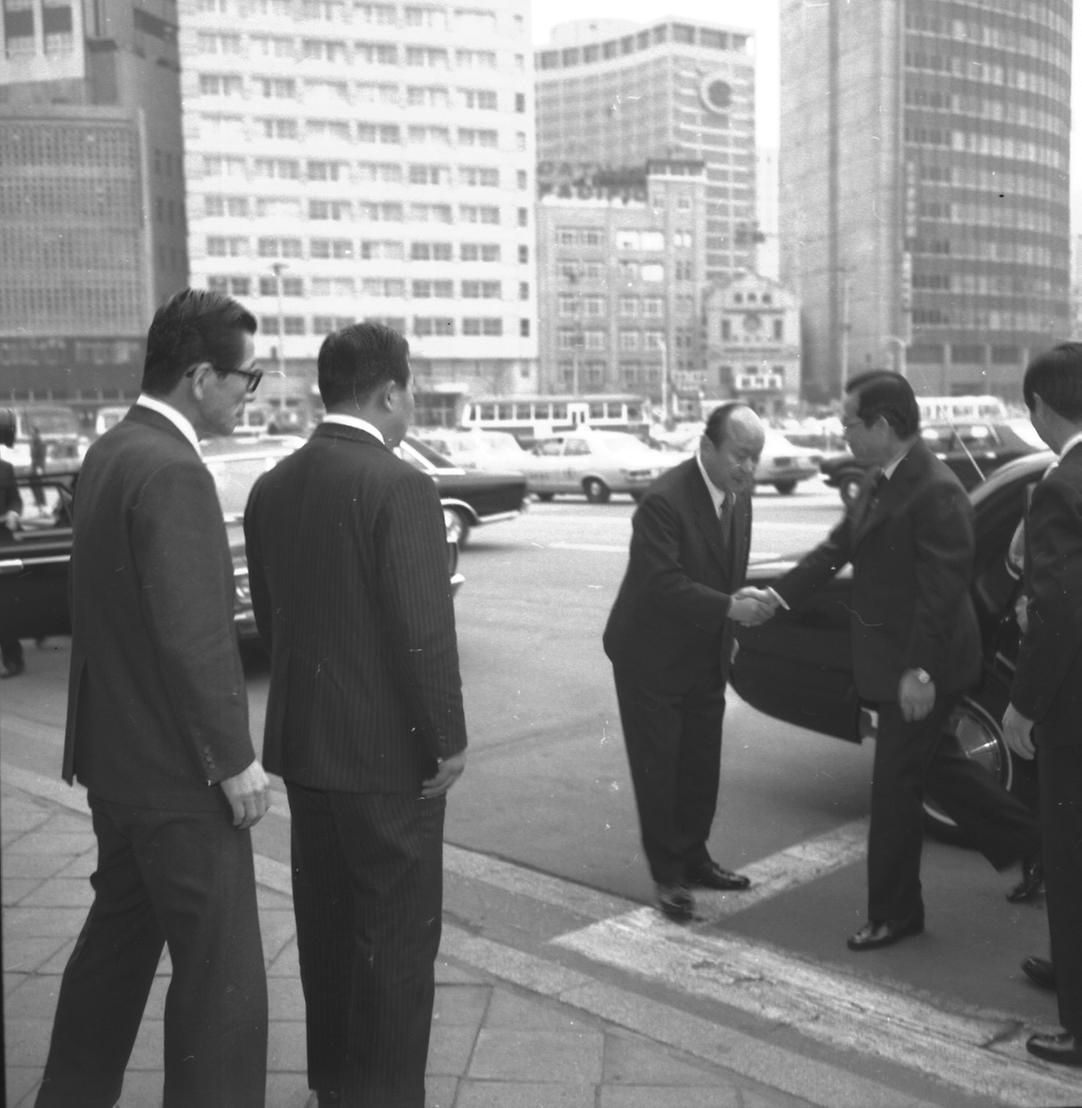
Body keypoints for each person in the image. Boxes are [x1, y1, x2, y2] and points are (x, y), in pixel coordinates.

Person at [36, 289, 271, 1108]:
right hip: (178, 775)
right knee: (222, 975)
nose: (252, 393)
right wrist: (233, 761)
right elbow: (194, 635)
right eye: (248, 376)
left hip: (116, 761)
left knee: (115, 947)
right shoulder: (173, 469)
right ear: (202, 376)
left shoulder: (113, 450)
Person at [244, 321, 467, 1107]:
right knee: (398, 943)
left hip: (309, 750)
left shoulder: (273, 485)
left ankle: (333, 1089)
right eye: (410, 394)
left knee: (329, 938)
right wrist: (447, 742)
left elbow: (274, 625)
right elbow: (422, 631)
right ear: (391, 392)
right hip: (386, 760)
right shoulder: (401, 485)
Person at [765, 371, 1040, 951]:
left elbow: (943, 592)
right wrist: (776, 597)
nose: (842, 432)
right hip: (901, 661)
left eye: (850, 423)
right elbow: (835, 549)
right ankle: (1041, 848)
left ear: (883, 426)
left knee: (894, 792)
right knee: (940, 770)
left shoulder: (932, 488)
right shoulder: (877, 480)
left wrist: (920, 672)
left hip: (924, 665)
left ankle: (896, 913)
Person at [603, 402, 773, 923]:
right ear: (707, 447)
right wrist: (727, 607)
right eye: (740, 456)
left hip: (704, 648)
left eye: (756, 458)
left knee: (700, 761)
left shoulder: (738, 498)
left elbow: (720, 571)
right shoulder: (663, 501)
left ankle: (695, 858)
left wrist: (733, 611)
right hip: (650, 655)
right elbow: (661, 584)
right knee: (661, 768)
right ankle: (669, 876)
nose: (748, 469)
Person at [1002, 341, 1082, 1066]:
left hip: (1073, 710)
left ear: (1040, 408)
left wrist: (1023, 705)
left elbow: (1059, 607)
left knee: (1070, 857)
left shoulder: (1062, 484)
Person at [0, 408, 26, 677]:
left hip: (2, 542)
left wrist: (14, 512)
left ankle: (13, 659)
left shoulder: (5, 469)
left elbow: (16, 499)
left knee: (4, 601)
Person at [29, 425, 47, 512]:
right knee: (32, 483)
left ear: (37, 434)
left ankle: (41, 503)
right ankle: (38, 501)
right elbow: (32, 457)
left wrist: (40, 468)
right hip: (33, 467)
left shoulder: (41, 443)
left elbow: (41, 457)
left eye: (33, 433)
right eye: (31, 434)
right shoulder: (32, 443)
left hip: (38, 467)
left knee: (38, 485)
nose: (32, 435)